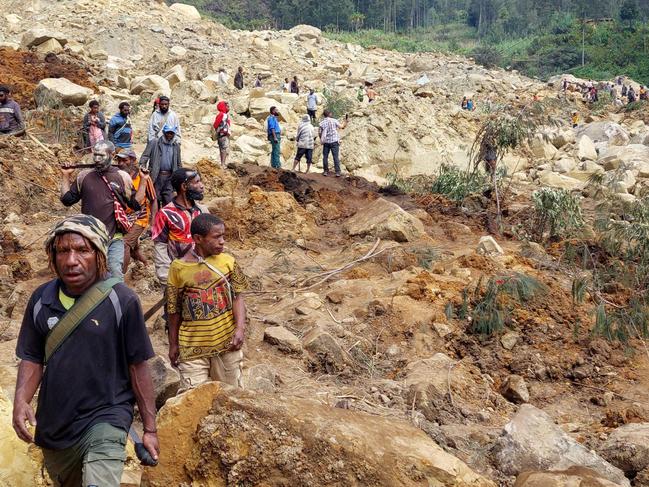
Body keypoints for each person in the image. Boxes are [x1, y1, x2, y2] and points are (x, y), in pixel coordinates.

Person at [13, 214, 158, 487]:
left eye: (82, 250)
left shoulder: (122, 301)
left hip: (107, 417)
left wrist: (149, 429)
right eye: (62, 251)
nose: (71, 260)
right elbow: (32, 357)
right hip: (57, 425)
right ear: (52, 256)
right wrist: (21, 401)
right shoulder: (40, 300)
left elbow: (138, 366)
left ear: (99, 254)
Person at [167, 214, 248, 389]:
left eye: (223, 236)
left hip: (227, 344)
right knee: (192, 400)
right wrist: (173, 344)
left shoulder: (228, 262)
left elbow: (238, 297)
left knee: (232, 396)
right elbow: (173, 310)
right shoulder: (178, 268)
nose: (222, 241)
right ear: (198, 238)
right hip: (192, 348)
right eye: (217, 237)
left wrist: (240, 329)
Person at [60, 141, 146, 280]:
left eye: (101, 155)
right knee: (90, 276)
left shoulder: (122, 177)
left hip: (114, 238)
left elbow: (135, 204)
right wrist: (65, 176)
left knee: (115, 275)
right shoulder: (84, 176)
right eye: (95, 155)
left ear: (112, 155)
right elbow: (66, 200)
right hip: (89, 238)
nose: (97, 159)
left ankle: (117, 301)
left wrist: (143, 181)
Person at [152, 168, 206, 285]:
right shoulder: (165, 214)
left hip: (203, 274)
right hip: (178, 277)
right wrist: (166, 279)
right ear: (184, 187)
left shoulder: (203, 211)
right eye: (197, 182)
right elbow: (160, 247)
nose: (202, 186)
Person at [115, 150, 157, 272]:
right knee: (134, 249)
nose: (121, 163)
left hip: (140, 217)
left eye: (125, 160)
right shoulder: (117, 175)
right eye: (119, 160)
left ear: (133, 161)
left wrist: (153, 222)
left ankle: (119, 277)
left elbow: (153, 199)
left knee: (125, 244)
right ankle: (146, 265)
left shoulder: (142, 176)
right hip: (123, 217)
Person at [140, 125, 182, 208]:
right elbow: (145, 156)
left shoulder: (176, 146)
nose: (169, 135)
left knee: (169, 199)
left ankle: (166, 217)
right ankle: (156, 218)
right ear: (163, 132)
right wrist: (142, 166)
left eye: (171, 133)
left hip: (170, 176)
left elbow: (178, 163)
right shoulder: (154, 142)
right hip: (157, 175)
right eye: (168, 133)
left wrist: (179, 175)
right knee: (155, 199)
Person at [318, 109, 347, 177]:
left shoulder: (321, 123)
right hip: (334, 141)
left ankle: (325, 171)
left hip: (326, 142)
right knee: (335, 157)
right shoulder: (334, 120)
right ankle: (337, 172)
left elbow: (319, 132)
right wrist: (346, 121)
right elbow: (342, 127)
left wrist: (321, 138)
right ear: (329, 114)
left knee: (325, 157)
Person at [213, 100, 231, 168]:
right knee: (224, 148)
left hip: (224, 134)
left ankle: (223, 163)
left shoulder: (225, 115)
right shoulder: (221, 115)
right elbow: (215, 124)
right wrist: (220, 130)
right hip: (222, 134)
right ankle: (223, 164)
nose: (229, 108)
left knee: (223, 148)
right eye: (227, 106)